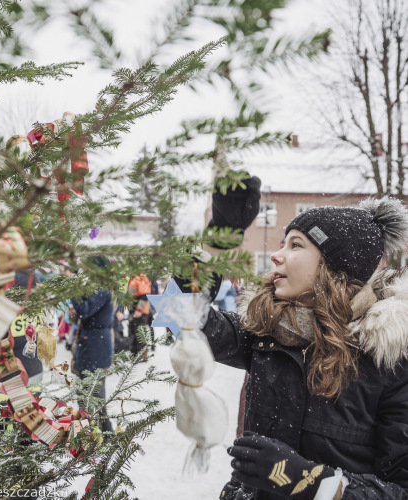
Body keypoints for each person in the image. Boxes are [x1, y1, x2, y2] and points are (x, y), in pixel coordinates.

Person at [201, 191, 408, 499]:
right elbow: (182, 318)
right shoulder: (269, 332)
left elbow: (399, 490)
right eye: (283, 242)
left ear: (336, 267)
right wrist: (218, 240)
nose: (276, 254)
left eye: (295, 244)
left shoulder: (389, 360)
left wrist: (305, 479)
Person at [70, 257, 114, 433]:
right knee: (84, 392)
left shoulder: (102, 289)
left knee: (94, 394)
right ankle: (98, 431)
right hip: (90, 343)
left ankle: (103, 432)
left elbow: (84, 310)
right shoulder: (97, 288)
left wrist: (72, 291)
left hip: (95, 345)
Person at [127, 274, 152, 355]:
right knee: (133, 331)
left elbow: (144, 295)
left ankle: (142, 353)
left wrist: (139, 310)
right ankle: (134, 352)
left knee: (140, 332)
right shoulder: (133, 277)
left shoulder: (141, 277)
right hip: (133, 309)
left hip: (140, 311)